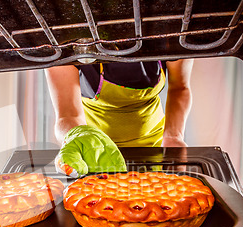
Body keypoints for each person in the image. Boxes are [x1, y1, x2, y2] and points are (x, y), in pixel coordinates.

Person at [45, 59, 194, 177]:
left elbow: (179, 88)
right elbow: (68, 114)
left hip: (156, 146)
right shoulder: (67, 40)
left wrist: (174, 136)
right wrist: (75, 137)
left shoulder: (167, 34)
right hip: (95, 151)